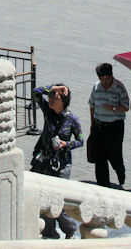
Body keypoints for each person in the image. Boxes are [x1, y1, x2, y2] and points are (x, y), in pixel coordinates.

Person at [31, 84, 82, 239]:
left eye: (55, 97)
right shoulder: (48, 111)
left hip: (62, 164)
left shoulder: (71, 118)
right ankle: (49, 231)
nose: (51, 99)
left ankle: (70, 229)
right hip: (45, 161)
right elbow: (36, 93)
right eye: (50, 96)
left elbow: (80, 141)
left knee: (58, 198)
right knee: (45, 197)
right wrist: (54, 87)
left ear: (63, 100)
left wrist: (67, 145)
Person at [88, 63, 129, 188]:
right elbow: (92, 105)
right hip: (99, 126)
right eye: (102, 79)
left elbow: (126, 107)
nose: (105, 82)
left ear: (112, 76)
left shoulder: (119, 88)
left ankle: (120, 174)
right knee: (100, 158)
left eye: (107, 79)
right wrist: (92, 123)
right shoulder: (96, 87)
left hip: (115, 127)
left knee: (115, 156)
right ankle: (103, 185)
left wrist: (113, 108)